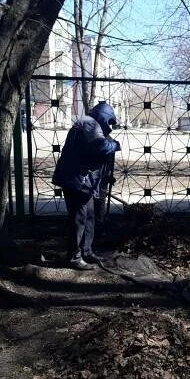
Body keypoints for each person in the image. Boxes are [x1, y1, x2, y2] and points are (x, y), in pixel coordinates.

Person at [52, 102, 120, 270]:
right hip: (76, 180)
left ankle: (86, 251)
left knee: (89, 216)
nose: (109, 126)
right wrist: (115, 145)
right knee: (79, 219)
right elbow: (101, 148)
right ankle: (74, 258)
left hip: (81, 180)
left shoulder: (88, 123)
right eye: (109, 121)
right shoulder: (90, 124)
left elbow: (90, 153)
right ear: (104, 117)